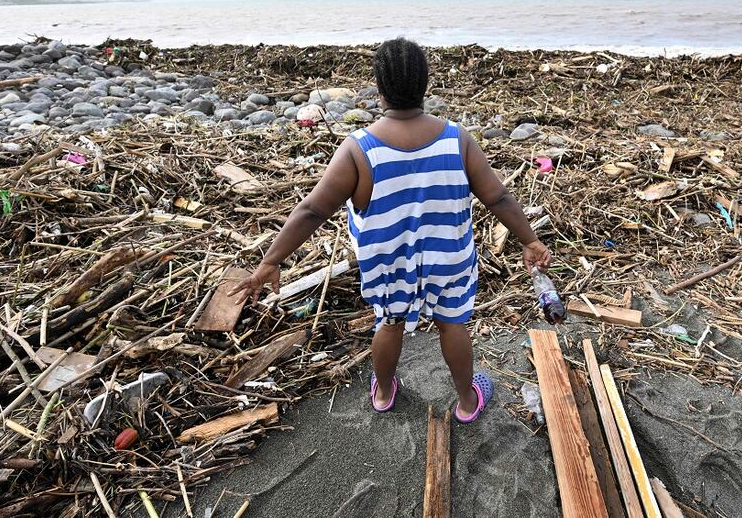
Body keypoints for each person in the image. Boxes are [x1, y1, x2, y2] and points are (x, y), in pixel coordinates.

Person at [233, 38, 551, 422]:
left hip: (389, 261)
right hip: (448, 256)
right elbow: (498, 197)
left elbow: (313, 209)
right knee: (453, 324)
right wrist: (529, 240)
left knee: (390, 321)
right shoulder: (457, 139)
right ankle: (467, 400)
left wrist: (270, 260)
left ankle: (384, 391)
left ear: (379, 88)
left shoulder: (359, 149)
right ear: (425, 84)